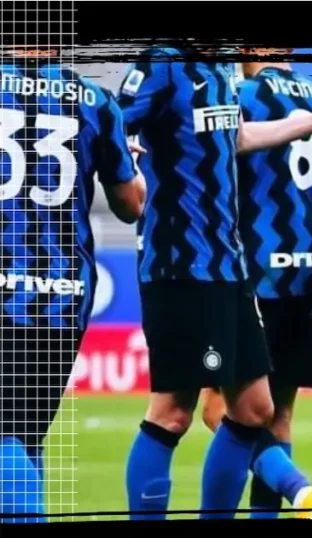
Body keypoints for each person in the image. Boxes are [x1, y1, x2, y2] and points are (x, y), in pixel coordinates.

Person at [117, 47, 312, 520]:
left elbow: (236, 136)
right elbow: (112, 123)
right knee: (173, 412)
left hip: (229, 265)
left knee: (254, 409)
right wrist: (125, 158)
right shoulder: (165, 62)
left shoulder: (220, 68)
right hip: (181, 265)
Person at [0, 55, 146, 523]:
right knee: (25, 436)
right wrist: (129, 163)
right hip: (63, 295)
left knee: (6, 435)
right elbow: (131, 204)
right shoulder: (96, 100)